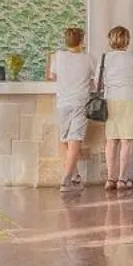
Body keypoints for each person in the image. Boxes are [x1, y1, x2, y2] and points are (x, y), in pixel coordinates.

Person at [98, 25, 133, 192]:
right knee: (127, 141)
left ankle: (110, 179)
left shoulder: (104, 58)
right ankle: (122, 179)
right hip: (129, 100)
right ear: (127, 40)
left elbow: (96, 82)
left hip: (110, 101)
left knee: (111, 141)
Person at [47, 26, 94, 190]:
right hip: (81, 102)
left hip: (63, 102)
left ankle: (74, 176)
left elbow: (51, 76)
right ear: (82, 41)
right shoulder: (88, 58)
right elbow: (96, 80)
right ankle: (66, 179)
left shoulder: (58, 56)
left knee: (64, 140)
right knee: (75, 140)